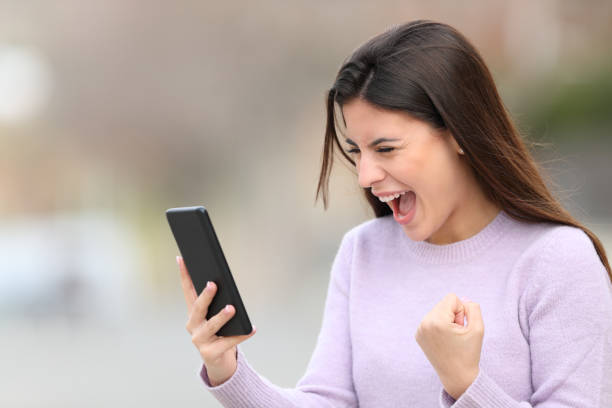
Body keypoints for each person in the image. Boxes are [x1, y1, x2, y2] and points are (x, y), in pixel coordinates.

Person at [177, 20, 612, 407]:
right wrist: (227, 369)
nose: (365, 175)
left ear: (460, 132)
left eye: (385, 148)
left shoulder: (558, 261)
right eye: (357, 151)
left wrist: (465, 382)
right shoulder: (361, 252)